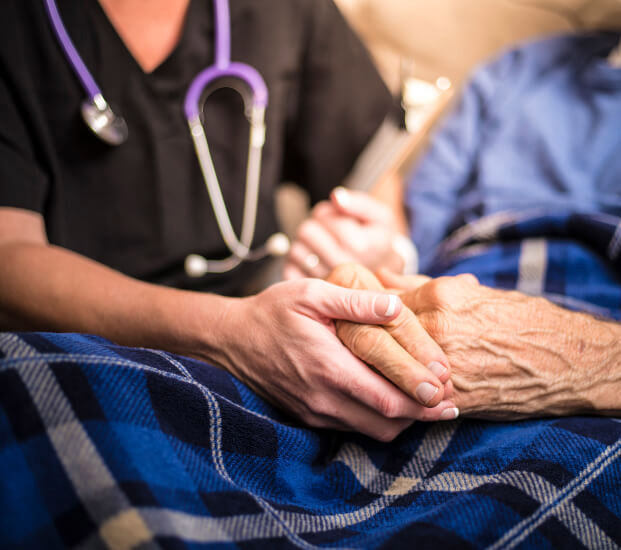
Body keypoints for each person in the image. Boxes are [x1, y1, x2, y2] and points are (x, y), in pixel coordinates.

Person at [0, 0, 460, 442]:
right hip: (79, 356)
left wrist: (383, 248)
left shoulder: (287, 11)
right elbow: (9, 258)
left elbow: (371, 174)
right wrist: (228, 334)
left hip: (276, 341)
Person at [286, 0, 621, 431]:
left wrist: (593, 362)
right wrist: (380, 256)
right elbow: (415, 244)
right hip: (447, 331)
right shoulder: (514, 71)